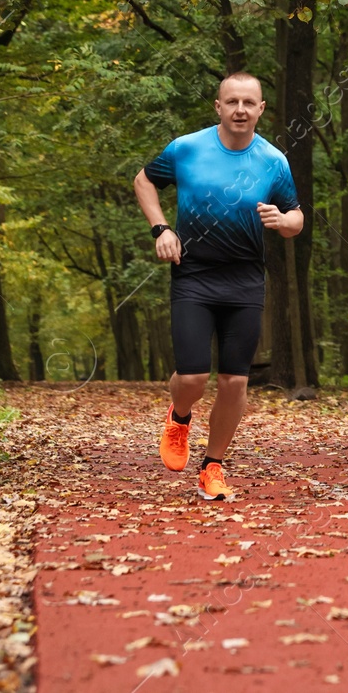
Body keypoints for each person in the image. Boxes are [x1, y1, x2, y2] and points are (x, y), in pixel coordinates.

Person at [133, 72, 303, 501]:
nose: (240, 110)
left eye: (249, 102)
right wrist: (161, 228)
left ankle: (213, 466)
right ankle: (180, 415)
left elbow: (296, 215)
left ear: (261, 109)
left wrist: (284, 223)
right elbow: (143, 180)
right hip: (194, 273)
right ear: (218, 106)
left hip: (245, 277)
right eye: (232, 102)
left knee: (234, 382)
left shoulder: (273, 160)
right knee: (192, 376)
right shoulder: (186, 148)